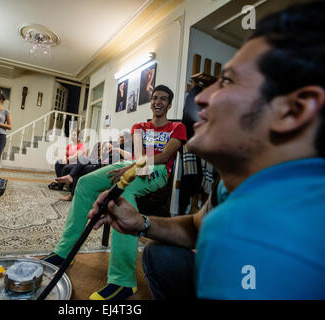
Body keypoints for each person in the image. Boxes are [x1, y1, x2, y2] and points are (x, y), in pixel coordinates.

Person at [89, 1, 325, 299]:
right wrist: (141, 223)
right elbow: (196, 225)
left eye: (226, 81)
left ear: (292, 111)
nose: (200, 99)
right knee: (159, 254)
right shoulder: (230, 186)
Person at [43, 85, 187, 300]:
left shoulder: (177, 127)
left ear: (169, 104)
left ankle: (123, 281)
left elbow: (165, 156)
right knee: (85, 182)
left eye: (163, 99)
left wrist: (132, 168)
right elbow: (137, 154)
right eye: (155, 97)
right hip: (135, 162)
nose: (158, 102)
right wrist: (130, 165)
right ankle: (65, 252)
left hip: (157, 170)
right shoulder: (139, 125)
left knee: (123, 194)